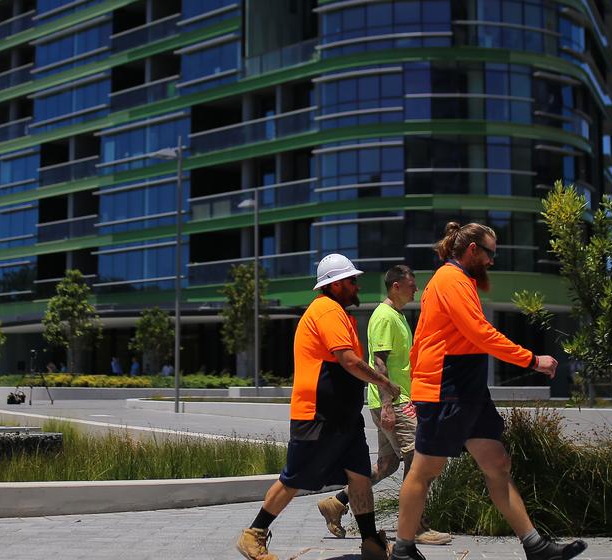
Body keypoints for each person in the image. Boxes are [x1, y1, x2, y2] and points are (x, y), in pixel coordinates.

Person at [389, 223, 585, 560]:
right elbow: (480, 333)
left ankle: (536, 547)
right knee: (425, 470)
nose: (493, 261)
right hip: (446, 388)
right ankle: (403, 549)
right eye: (490, 253)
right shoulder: (450, 281)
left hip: (468, 389)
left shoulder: (460, 281)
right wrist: (532, 360)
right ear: (472, 251)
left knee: (497, 462)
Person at [236, 254, 402, 560]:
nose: (357, 285)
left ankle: (370, 542)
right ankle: (253, 534)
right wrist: (384, 383)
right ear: (336, 285)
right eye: (352, 281)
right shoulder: (326, 310)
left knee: (360, 476)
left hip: (342, 417)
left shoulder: (339, 313)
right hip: (318, 415)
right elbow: (348, 361)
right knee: (295, 478)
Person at [317, 265, 452, 546]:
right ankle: (415, 526)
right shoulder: (384, 317)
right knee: (419, 461)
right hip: (394, 401)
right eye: (411, 284)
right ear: (396, 286)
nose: (416, 289)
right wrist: (389, 407)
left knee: (387, 464)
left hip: (395, 400)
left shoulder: (398, 316)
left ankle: (336, 503)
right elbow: (379, 362)